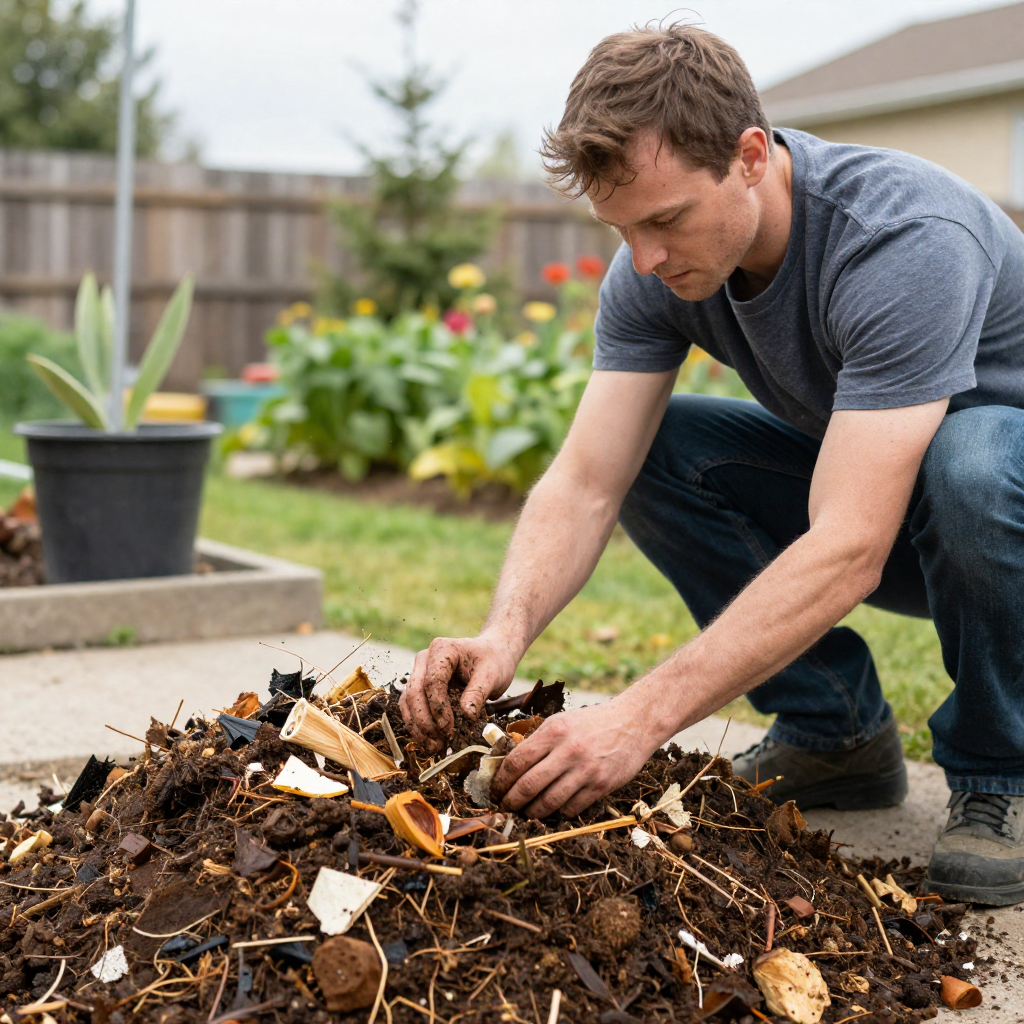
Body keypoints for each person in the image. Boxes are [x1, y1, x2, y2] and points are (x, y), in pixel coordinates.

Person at [399, 24, 1024, 905]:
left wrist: (638, 719)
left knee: (975, 458)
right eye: (622, 230)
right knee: (659, 446)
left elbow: (849, 546)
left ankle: (1002, 777)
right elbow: (586, 481)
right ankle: (833, 733)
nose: (646, 258)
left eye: (665, 220)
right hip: (909, 508)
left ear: (751, 156)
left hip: (998, 516)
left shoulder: (902, 238)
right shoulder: (652, 274)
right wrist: (505, 631)